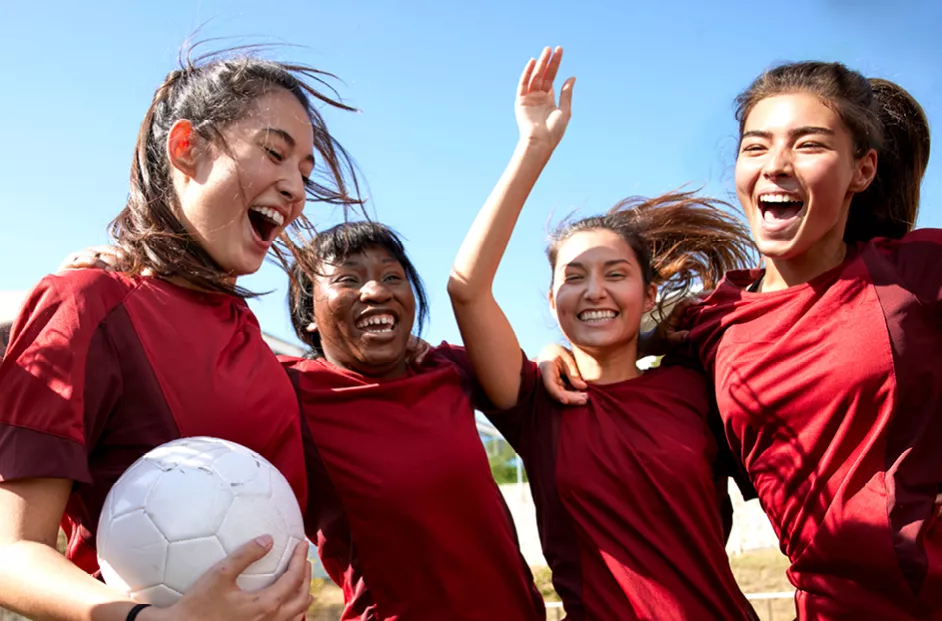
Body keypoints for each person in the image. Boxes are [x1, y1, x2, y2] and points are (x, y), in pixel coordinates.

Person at [543, 61, 938, 620]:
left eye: (808, 145)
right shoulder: (709, 322)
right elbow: (619, 357)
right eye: (756, 147)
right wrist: (558, 357)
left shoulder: (917, 273)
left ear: (863, 170)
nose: (776, 165)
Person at [0, 47, 360, 621]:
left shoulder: (249, 338)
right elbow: (12, 553)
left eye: (306, 173)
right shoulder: (86, 304)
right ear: (186, 148)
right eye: (275, 152)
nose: (295, 189)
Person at [447, 46, 758, 620]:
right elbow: (466, 287)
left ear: (648, 292)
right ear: (551, 300)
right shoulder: (533, 403)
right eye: (574, 276)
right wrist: (533, 147)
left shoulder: (696, 383)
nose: (594, 291)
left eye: (616, 274)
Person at [282, 221, 546, 621]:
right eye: (348, 279)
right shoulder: (290, 391)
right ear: (309, 316)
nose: (377, 290)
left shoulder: (449, 367)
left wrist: (558, 350)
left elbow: (549, 378)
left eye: (392, 276)